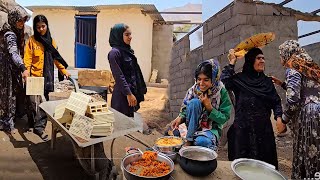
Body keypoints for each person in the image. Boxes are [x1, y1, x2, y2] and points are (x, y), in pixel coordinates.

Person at [221, 48, 283, 169]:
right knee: (244, 167)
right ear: (250, 60)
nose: (262, 61)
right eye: (258, 58)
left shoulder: (266, 82)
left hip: (263, 131)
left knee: (264, 167)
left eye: (263, 58)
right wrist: (232, 61)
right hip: (243, 130)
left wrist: (279, 117)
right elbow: (224, 81)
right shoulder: (240, 79)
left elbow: (276, 101)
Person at [277, 40, 320, 179]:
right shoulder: (308, 66)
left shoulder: (293, 68)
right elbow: (306, 89)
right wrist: (283, 84)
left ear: (287, 54)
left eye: (281, 55)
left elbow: (294, 100)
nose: (280, 58)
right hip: (317, 112)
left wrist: (284, 119)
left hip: (309, 116)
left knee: (308, 155)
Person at [24, 15, 70, 141]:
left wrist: (64, 71)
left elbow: (56, 58)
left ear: (47, 26)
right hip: (35, 77)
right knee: (33, 102)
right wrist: (26, 71)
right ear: (35, 27)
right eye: (38, 27)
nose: (41, 29)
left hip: (47, 77)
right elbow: (27, 58)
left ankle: (39, 128)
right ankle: (33, 123)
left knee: (44, 103)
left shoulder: (51, 42)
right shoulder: (32, 41)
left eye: (43, 26)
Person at [171, 59, 232, 150]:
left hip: (210, 129)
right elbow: (185, 110)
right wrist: (180, 117)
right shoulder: (193, 90)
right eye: (199, 79)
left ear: (214, 79)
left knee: (202, 142)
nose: (201, 83)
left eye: (206, 80)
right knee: (194, 103)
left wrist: (210, 108)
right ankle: (189, 140)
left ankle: (195, 144)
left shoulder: (221, 92)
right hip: (191, 127)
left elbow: (224, 118)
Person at [0, 7, 30, 134]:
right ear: (13, 20)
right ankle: (7, 121)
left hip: (9, 66)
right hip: (7, 69)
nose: (21, 24)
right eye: (19, 20)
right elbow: (13, 52)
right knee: (9, 94)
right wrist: (23, 67)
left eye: (23, 21)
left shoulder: (10, 31)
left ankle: (11, 116)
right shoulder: (10, 34)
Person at [108, 23, 147, 117]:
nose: (130, 37)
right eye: (126, 35)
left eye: (130, 34)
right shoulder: (114, 53)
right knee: (123, 124)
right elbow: (119, 76)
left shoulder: (127, 51)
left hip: (132, 91)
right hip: (123, 96)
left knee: (130, 122)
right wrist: (128, 94)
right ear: (118, 36)